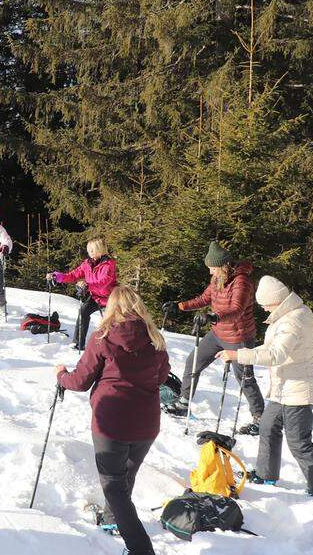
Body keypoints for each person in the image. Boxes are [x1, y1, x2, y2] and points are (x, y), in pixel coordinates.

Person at [57, 286, 170, 555]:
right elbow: (162, 376)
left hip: (111, 423)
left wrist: (61, 375)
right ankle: (112, 520)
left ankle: (140, 549)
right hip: (146, 424)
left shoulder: (103, 337)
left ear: (112, 308)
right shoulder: (155, 339)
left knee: (114, 487)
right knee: (125, 477)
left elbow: (81, 380)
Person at [216, 276, 313, 505]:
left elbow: (276, 355)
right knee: (268, 426)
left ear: (276, 300)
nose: (262, 308)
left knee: (299, 441)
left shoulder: (293, 320)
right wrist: (245, 351)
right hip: (284, 387)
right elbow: (271, 348)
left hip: (299, 388)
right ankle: (265, 474)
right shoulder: (288, 315)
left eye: (264, 304)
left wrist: (238, 355)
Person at [161, 241, 264, 434]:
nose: (210, 272)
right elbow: (204, 298)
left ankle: (260, 419)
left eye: (212, 268)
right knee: (194, 362)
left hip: (238, 337)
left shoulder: (241, 281)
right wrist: (180, 306)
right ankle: (184, 402)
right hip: (218, 333)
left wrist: (214, 316)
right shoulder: (218, 279)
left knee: (245, 378)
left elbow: (237, 310)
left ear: (223, 266)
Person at [47, 237, 118, 351]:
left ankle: (115, 346)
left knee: (111, 322)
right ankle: (78, 343)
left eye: (92, 250)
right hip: (95, 297)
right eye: (89, 250)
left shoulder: (109, 265)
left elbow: (103, 283)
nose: (90, 253)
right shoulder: (87, 264)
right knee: (83, 311)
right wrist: (57, 276)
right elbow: (73, 275)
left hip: (110, 297)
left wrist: (87, 285)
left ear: (100, 249)